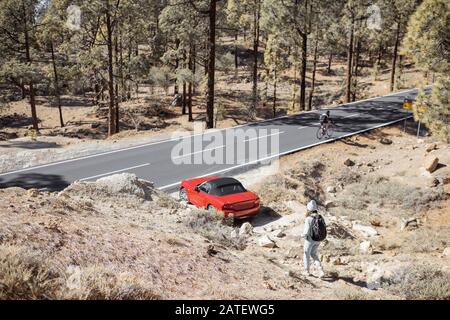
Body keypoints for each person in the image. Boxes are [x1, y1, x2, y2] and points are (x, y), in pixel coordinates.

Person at [302, 200, 325, 278]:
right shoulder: (320, 217)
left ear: (309, 209)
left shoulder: (308, 218)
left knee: (306, 254)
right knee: (314, 254)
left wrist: (303, 235)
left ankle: (306, 271)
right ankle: (320, 270)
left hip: (310, 239)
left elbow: (306, 231)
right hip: (318, 239)